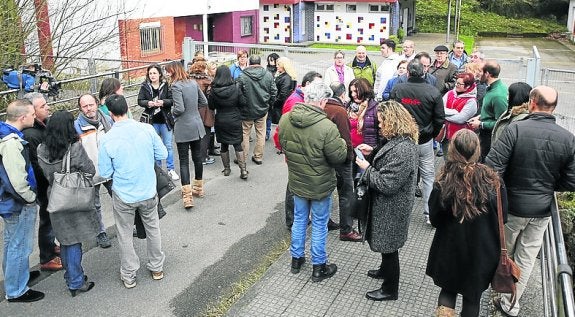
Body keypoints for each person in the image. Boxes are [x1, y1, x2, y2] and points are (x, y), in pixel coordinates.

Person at [486, 86, 575, 317]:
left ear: (532, 102)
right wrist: (548, 187)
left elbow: (492, 167)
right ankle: (511, 303)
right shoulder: (568, 138)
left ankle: (498, 288)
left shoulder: (515, 130)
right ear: (553, 108)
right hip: (543, 210)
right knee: (526, 258)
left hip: (513, 207)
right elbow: (571, 181)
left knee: (505, 251)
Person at [426, 129, 504, 317]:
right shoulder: (493, 180)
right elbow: (503, 217)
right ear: (478, 150)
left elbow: (435, 218)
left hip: (449, 248)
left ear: (452, 150)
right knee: (472, 298)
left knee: (448, 290)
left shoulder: (444, 179)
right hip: (482, 251)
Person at [278, 80, 347, 282]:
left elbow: (283, 144)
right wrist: (342, 143)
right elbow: (338, 157)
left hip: (297, 179)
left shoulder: (285, 119)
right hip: (320, 183)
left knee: (300, 219)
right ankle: (319, 266)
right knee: (319, 223)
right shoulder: (326, 127)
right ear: (322, 101)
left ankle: (296, 259)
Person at [98, 94, 168, 289]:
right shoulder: (146, 129)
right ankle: (156, 267)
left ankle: (129, 274)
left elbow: (104, 172)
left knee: (125, 234)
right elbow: (162, 153)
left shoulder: (107, 139)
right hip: (148, 190)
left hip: (124, 194)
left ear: (111, 114)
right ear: (127, 108)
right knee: (153, 228)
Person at [355, 100, 419, 301]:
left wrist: (366, 169)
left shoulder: (404, 149)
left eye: (382, 122)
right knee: (386, 244)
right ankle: (384, 270)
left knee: (390, 248)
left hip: (392, 207)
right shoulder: (398, 141)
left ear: (393, 121)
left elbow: (386, 183)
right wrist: (372, 152)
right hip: (388, 206)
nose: (380, 125)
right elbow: (387, 161)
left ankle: (390, 289)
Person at [37, 110, 98, 297]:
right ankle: (76, 281)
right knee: (73, 242)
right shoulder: (75, 148)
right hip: (73, 199)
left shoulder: (41, 149)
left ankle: (70, 276)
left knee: (63, 240)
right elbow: (90, 171)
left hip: (54, 198)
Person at [0, 99, 45, 302]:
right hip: (17, 203)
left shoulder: (7, 135)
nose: (35, 117)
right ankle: (16, 290)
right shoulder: (11, 143)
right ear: (22, 117)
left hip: (10, 201)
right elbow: (16, 180)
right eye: (32, 114)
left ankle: (17, 276)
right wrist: (30, 197)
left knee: (11, 243)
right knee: (20, 245)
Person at [391, 59, 445, 224]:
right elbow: (439, 119)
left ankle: (399, 214)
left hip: (402, 140)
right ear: (424, 72)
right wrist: (431, 135)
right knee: (428, 176)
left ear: (407, 73)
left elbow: (391, 114)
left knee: (401, 175)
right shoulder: (433, 92)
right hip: (424, 141)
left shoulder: (398, 89)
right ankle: (429, 214)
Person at [21, 92, 62, 271]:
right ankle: (47, 257)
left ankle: (51, 246)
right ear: (32, 111)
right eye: (43, 106)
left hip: (48, 182)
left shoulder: (41, 126)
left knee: (50, 218)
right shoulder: (31, 134)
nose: (47, 108)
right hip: (43, 184)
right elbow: (37, 164)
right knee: (47, 218)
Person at [165, 61, 207, 208]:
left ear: (174, 71)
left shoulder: (176, 86)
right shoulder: (193, 83)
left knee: (183, 161)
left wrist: (172, 114)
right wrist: (194, 111)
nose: (167, 74)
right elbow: (204, 101)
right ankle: (199, 188)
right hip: (196, 125)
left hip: (183, 126)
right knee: (197, 158)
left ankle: (187, 196)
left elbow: (179, 108)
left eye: (168, 71)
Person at [74, 93, 113, 248]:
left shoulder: (108, 119)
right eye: (85, 106)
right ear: (80, 108)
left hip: (110, 169)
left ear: (97, 104)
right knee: (94, 205)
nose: (89, 108)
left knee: (120, 199)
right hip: (90, 173)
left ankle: (129, 226)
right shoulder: (76, 126)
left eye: (91, 104)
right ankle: (100, 233)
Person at [325, 82, 361, 242]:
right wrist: (350, 158)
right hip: (340, 159)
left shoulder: (323, 106)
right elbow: (346, 139)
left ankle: (326, 221)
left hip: (324, 158)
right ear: (341, 95)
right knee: (346, 194)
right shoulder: (339, 111)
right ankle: (346, 230)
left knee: (326, 192)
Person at [137, 64, 178, 180]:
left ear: (159, 74)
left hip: (165, 120)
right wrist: (147, 103)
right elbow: (140, 100)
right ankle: (158, 170)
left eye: (154, 73)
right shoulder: (145, 86)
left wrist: (163, 102)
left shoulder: (166, 85)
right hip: (151, 120)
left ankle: (171, 169)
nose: (152, 75)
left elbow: (172, 100)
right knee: (155, 146)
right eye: (150, 73)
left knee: (168, 145)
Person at [237, 55, 277, 166]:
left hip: (246, 111)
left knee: (245, 133)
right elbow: (274, 92)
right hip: (262, 109)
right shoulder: (268, 75)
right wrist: (269, 104)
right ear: (260, 63)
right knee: (261, 133)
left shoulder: (242, 75)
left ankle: (243, 157)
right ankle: (258, 157)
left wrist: (241, 105)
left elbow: (238, 93)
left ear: (249, 63)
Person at [208, 65, 246, 178]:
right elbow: (243, 102)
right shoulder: (236, 87)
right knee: (237, 144)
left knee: (224, 145)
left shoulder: (214, 90)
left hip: (221, 120)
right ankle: (243, 170)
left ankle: (226, 169)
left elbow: (211, 106)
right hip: (234, 119)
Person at [467, 61, 508, 161]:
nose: (477, 74)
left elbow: (501, 123)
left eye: (480, 71)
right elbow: (491, 111)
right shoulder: (491, 89)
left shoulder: (498, 95)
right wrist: (480, 116)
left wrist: (481, 124)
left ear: (487, 74)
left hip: (490, 139)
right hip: (484, 136)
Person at [441, 72, 478, 159]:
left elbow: (460, 119)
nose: (456, 85)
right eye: (456, 83)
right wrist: (454, 112)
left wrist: (444, 114)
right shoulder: (450, 93)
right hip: (446, 136)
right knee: (447, 161)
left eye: (459, 84)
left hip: (461, 140)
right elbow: (440, 108)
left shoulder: (471, 101)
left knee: (459, 162)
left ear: (468, 86)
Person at [189, 59, 217, 165]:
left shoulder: (188, 79)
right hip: (204, 109)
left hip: (192, 109)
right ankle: (203, 157)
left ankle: (197, 156)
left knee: (196, 135)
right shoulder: (205, 80)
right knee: (205, 133)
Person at [268, 57, 297, 138]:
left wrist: (274, 102)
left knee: (282, 126)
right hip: (281, 105)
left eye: (278, 64)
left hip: (281, 106)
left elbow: (283, 94)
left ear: (284, 65)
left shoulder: (286, 78)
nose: (276, 66)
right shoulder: (284, 75)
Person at [347, 78, 379, 149]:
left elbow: (381, 134)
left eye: (355, 91)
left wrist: (373, 148)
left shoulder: (375, 108)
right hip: (350, 149)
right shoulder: (348, 107)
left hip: (367, 151)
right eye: (351, 91)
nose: (353, 94)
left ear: (364, 90)